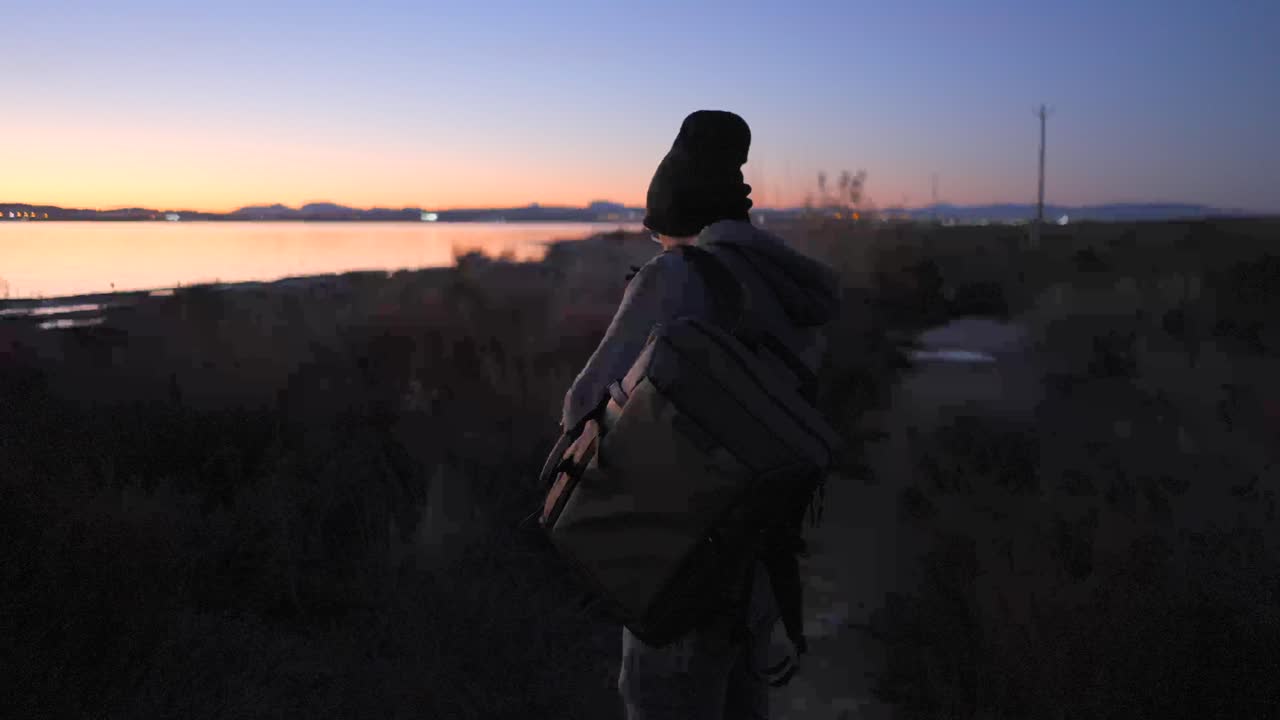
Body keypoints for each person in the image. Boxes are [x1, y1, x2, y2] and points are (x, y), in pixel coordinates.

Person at [561, 110, 841, 719]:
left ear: (673, 214)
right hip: (763, 557)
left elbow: (582, 405)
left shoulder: (678, 275)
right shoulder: (785, 282)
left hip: (680, 556)